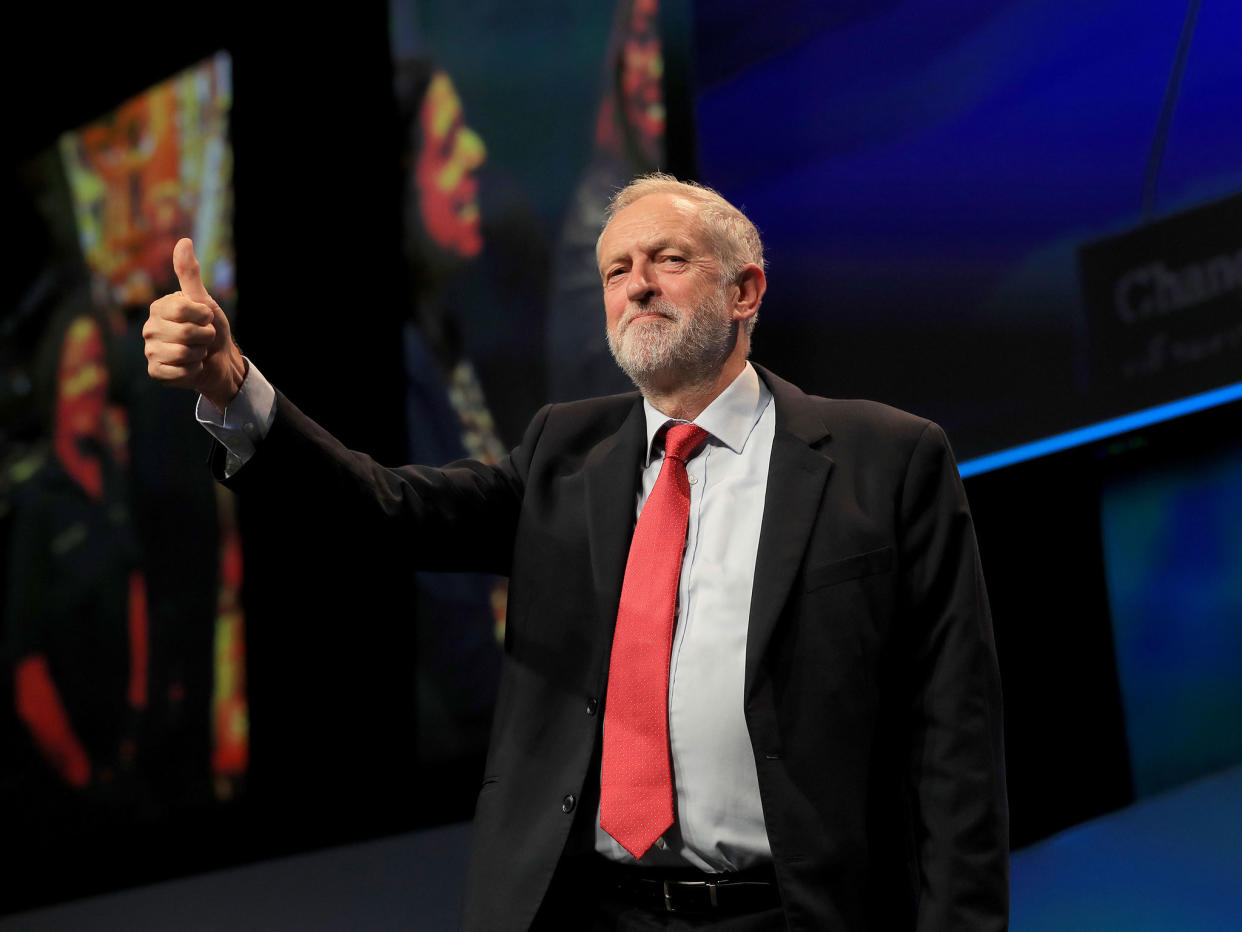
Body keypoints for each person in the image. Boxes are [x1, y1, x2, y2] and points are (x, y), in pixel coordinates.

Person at [142, 173, 1008, 931]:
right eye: (615, 272)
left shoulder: (885, 459)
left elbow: (954, 737)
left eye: (667, 260)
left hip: (798, 912)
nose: (636, 287)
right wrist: (234, 390)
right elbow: (388, 510)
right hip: (593, 911)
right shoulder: (563, 453)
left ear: (746, 291)